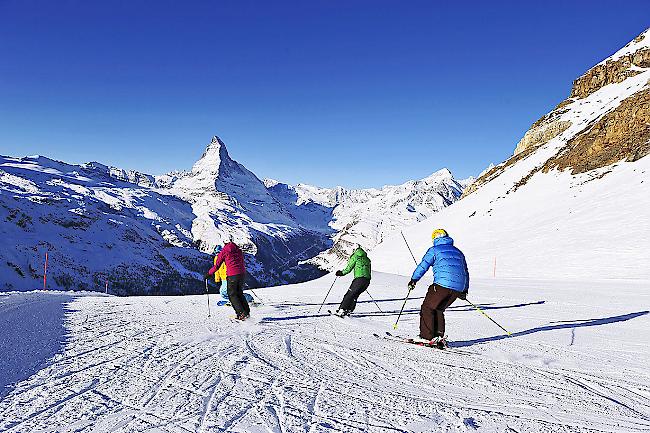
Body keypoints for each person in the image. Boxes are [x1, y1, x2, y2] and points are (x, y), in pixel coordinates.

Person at [408, 229, 469, 348]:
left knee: (427, 307)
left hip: (442, 285)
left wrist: (414, 279)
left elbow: (423, 265)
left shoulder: (434, 250)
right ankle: (439, 335)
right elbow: (465, 271)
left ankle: (426, 336)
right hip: (458, 287)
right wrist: (464, 290)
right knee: (439, 309)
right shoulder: (458, 252)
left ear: (435, 239)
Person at [206, 240, 249, 320]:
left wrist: (209, 273)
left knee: (232, 294)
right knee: (239, 293)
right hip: (242, 274)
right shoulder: (238, 250)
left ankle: (241, 313)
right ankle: (246, 312)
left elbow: (217, 266)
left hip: (232, 275)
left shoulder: (224, 252)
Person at [334, 245, 371, 316]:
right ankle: (349, 310)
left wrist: (341, 273)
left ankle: (342, 310)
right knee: (355, 295)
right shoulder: (367, 259)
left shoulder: (355, 257)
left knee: (349, 295)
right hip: (367, 281)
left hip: (359, 280)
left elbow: (349, 268)